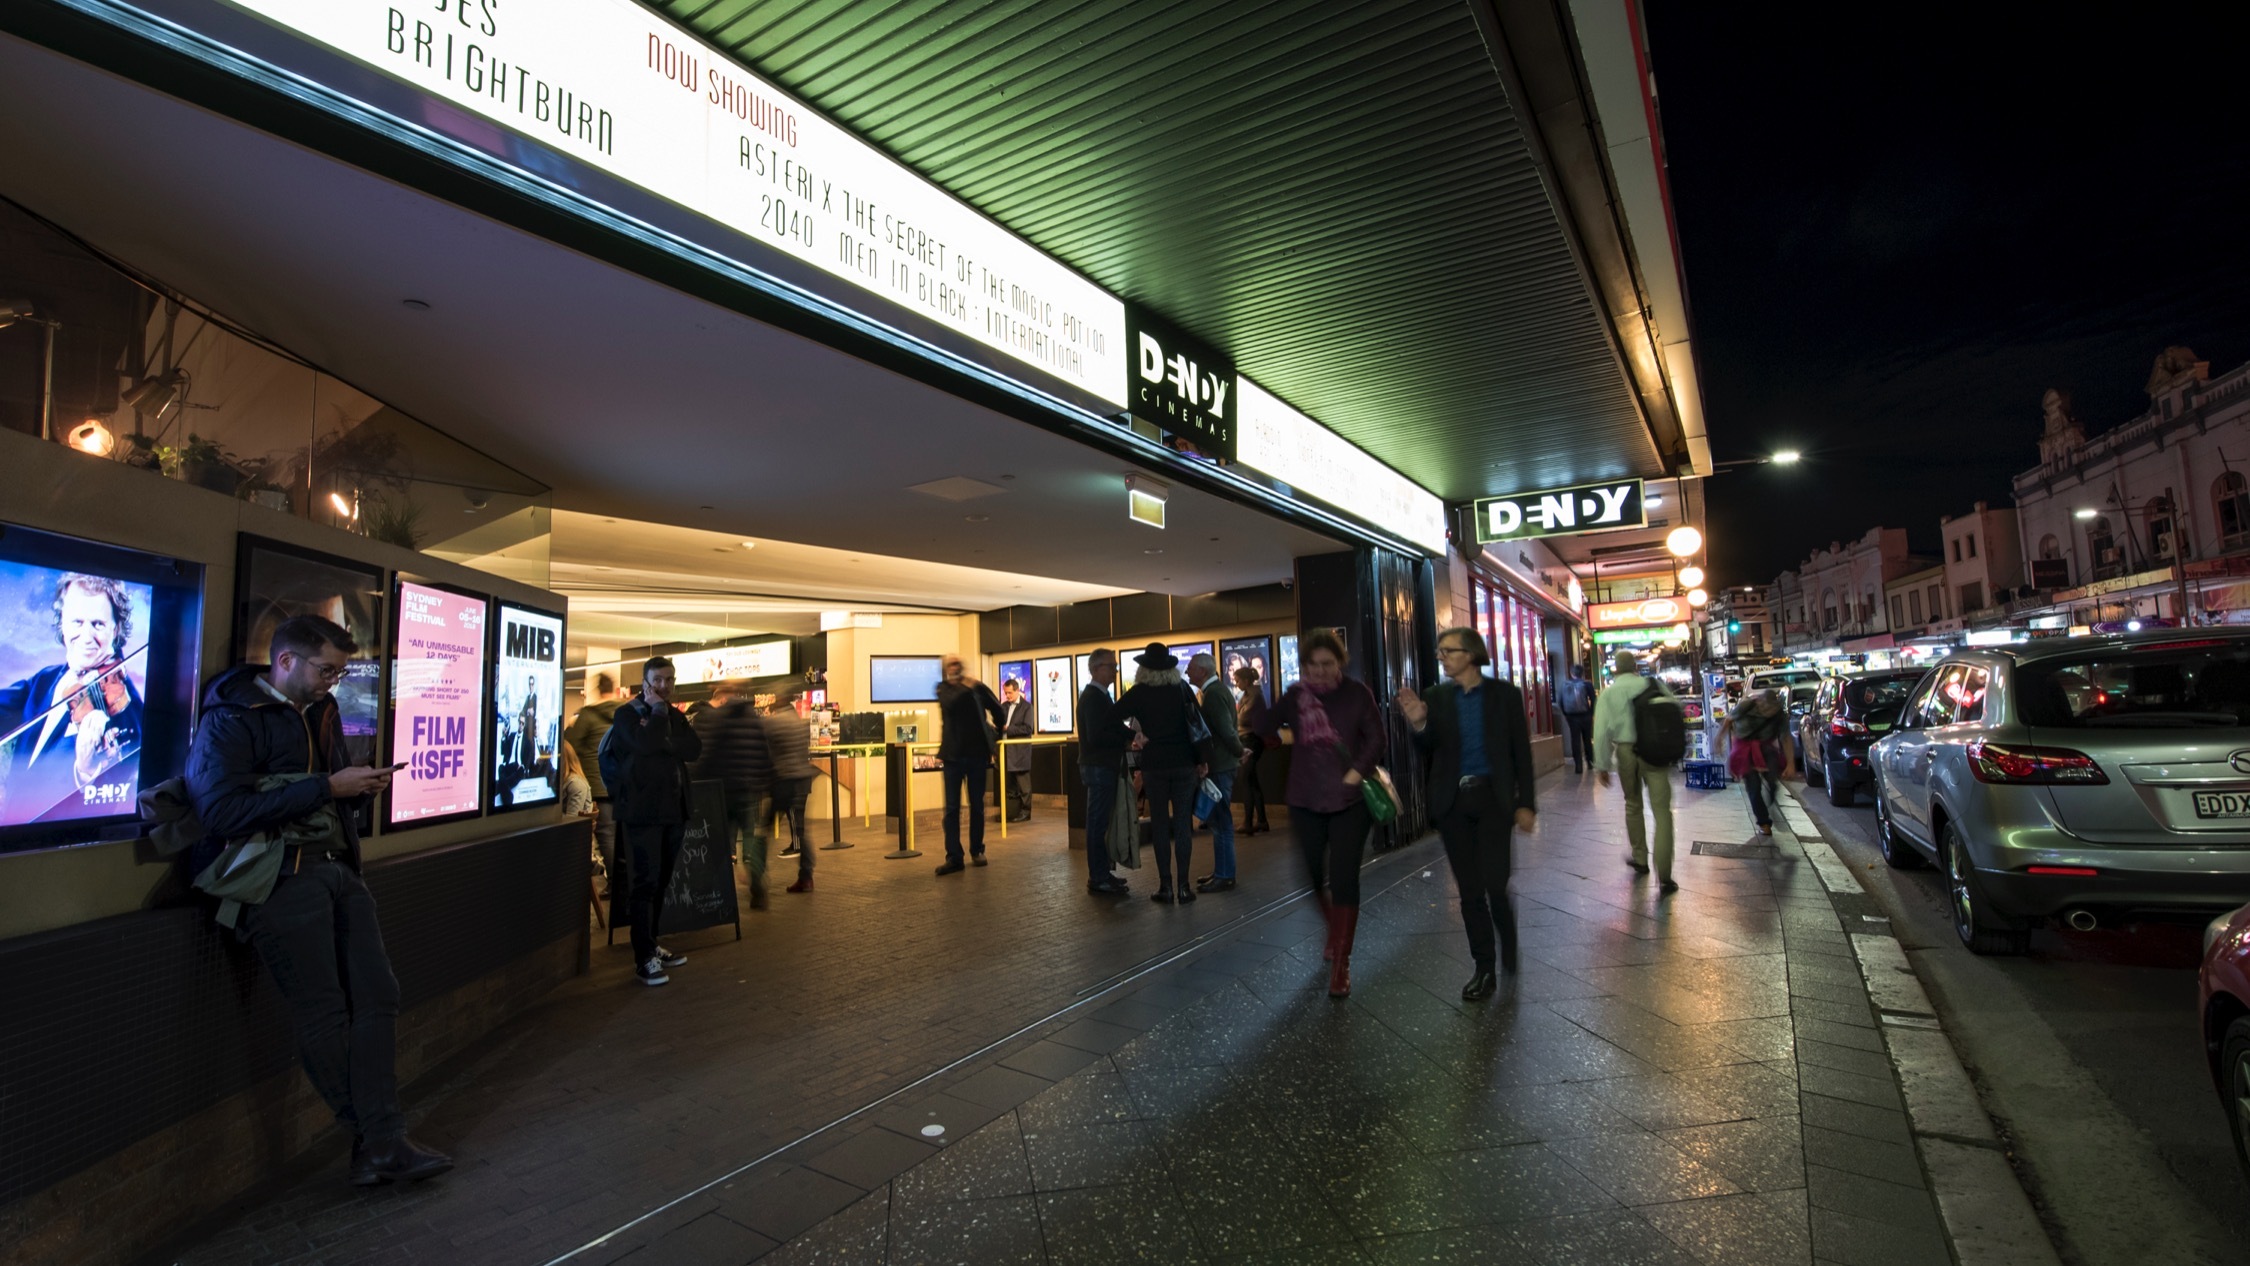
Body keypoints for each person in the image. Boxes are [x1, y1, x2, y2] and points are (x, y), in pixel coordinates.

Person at [184, 614, 450, 1186]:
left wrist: (356, 788)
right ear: (285, 662)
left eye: (340, 670)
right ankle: (379, 1137)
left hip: (338, 870)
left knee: (379, 993)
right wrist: (328, 788)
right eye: (327, 669)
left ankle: (381, 1139)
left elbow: (326, 792)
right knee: (323, 1010)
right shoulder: (232, 716)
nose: (335, 680)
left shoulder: (325, 710)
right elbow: (220, 811)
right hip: (278, 879)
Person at [1399, 628, 1536, 1000]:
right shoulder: (1436, 697)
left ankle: (1508, 945)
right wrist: (1418, 722)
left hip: (1494, 801)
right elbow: (1427, 748)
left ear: (1471, 654)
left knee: (1495, 883)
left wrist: (1526, 804)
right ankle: (1484, 968)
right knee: (1470, 891)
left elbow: (1520, 752)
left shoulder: (1504, 695)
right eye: (1439, 651)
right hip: (1453, 803)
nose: (1441, 657)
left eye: (1449, 651)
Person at [1262, 630, 1385, 996]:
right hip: (1305, 798)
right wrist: (1260, 711)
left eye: (1327, 663)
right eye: (1312, 664)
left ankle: (1342, 964)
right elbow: (1268, 726)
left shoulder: (1357, 693)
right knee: (1313, 875)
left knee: (1345, 877)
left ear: (1340, 663)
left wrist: (1355, 771)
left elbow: (1377, 739)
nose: (1319, 671)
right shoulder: (1296, 696)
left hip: (1350, 800)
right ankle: (1335, 928)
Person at [0, 572, 146, 820]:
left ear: (116, 628)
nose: (86, 637)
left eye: (97, 624)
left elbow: (112, 799)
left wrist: (86, 770)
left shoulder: (127, 711)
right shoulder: (47, 678)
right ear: (62, 624)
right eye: (77, 622)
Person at [600, 657, 701, 986]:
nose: (665, 686)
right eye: (658, 680)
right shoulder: (626, 714)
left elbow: (694, 748)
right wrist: (657, 714)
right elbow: (643, 744)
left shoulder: (675, 715)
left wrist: (664, 740)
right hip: (642, 813)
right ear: (645, 682)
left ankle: (652, 945)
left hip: (674, 811)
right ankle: (642, 957)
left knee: (661, 881)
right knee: (643, 883)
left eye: (670, 680)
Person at [1114, 644, 1212, 903]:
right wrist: (1202, 760)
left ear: (1144, 669)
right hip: (1183, 764)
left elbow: (1111, 717)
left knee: (1159, 825)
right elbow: (1198, 723)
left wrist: (1133, 735)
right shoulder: (1182, 689)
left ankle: (1165, 887)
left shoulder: (1139, 693)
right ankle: (1184, 887)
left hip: (1154, 765)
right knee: (1182, 825)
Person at [1591, 650, 1678, 894]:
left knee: (1633, 804)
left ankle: (1640, 857)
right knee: (1662, 812)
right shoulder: (1654, 684)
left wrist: (1603, 765)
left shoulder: (1609, 693)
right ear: (1636, 667)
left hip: (1627, 752)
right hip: (1655, 751)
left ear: (1616, 669)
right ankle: (1666, 874)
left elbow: (1601, 733)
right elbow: (1674, 712)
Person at [694, 680, 775, 905]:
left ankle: (717, 892)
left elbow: (707, 753)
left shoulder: (718, 718)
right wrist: (766, 782)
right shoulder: (753, 718)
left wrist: (698, 780)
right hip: (748, 789)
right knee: (750, 835)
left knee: (720, 839)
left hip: (722, 790)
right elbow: (764, 751)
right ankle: (756, 880)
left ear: (722, 696)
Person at [933, 654, 1007, 876]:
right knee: (952, 809)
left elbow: (998, 710)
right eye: (950, 665)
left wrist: (995, 735)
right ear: (945, 669)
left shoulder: (976, 687)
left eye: (957, 664)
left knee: (977, 806)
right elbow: (950, 702)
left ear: (962, 667)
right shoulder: (943, 689)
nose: (954, 668)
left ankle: (977, 851)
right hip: (952, 758)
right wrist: (969, 685)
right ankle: (954, 857)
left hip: (976, 756)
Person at [1076, 649, 1132, 896]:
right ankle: (1098, 877)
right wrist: (1126, 740)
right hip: (1098, 767)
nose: (1115, 671)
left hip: (1103, 766)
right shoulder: (1092, 698)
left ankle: (1102, 873)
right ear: (1096, 668)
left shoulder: (1102, 696)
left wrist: (1132, 736)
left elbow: (1114, 726)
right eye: (1111, 666)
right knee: (1097, 823)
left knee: (1101, 822)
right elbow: (1096, 736)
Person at [1187, 652, 1243, 893]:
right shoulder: (1215, 692)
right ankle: (1221, 871)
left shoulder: (1213, 696)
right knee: (1220, 822)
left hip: (1220, 767)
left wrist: (1239, 751)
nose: (1187, 672)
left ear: (1203, 671)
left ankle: (1224, 875)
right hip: (1222, 765)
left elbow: (1226, 731)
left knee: (1221, 823)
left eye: (1190, 668)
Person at [564, 673, 626, 893]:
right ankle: (622, 881)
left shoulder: (589, 715)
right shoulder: (624, 713)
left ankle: (617, 884)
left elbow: (570, 745)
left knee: (605, 833)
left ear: (597, 689)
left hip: (598, 783)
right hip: (621, 783)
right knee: (619, 834)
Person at [761, 691, 817, 890]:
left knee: (764, 828)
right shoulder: (799, 722)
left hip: (784, 782)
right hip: (803, 779)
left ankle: (757, 875)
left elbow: (763, 750)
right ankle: (806, 876)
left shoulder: (773, 723)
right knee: (801, 829)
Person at [1725, 688, 1794, 837]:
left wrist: (1791, 764)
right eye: (1764, 707)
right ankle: (1764, 823)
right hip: (1745, 749)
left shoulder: (1779, 715)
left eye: (1771, 709)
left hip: (1766, 748)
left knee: (1773, 781)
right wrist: (1720, 739)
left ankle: (1772, 798)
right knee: (1754, 787)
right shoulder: (1746, 706)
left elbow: (1786, 738)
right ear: (1759, 702)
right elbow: (1728, 720)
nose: (1767, 711)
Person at [1234, 666, 1271, 836]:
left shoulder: (1254, 695)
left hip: (1251, 740)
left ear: (1246, 681)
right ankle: (1262, 820)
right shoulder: (1249, 695)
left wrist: (1236, 714)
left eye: (1238, 680)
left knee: (1246, 779)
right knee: (1252, 779)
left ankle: (1248, 822)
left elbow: (1241, 717)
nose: (1236, 683)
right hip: (1248, 739)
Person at [1000, 678, 1034, 822]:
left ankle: (1026, 811)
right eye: (1005, 693)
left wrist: (1008, 729)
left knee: (1023, 784)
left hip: (1020, 751)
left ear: (1017, 690)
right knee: (1010, 785)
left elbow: (1027, 728)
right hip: (1006, 750)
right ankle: (1012, 811)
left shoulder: (1027, 707)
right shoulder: (1004, 706)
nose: (1007, 696)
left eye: (1009, 693)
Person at [1558, 663, 1597, 774]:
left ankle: (1578, 765)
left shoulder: (1565, 684)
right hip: (1585, 715)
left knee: (1575, 740)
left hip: (1572, 717)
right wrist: (1591, 713)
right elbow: (1593, 699)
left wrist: (1566, 714)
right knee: (1587, 739)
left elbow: (1560, 701)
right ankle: (1589, 762)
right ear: (1582, 673)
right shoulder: (1587, 684)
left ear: (1571, 673)